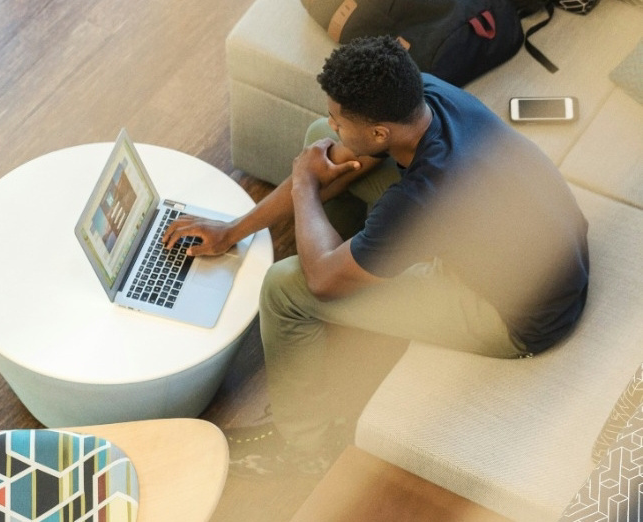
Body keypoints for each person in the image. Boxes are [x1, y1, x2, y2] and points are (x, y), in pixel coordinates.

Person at [163, 35, 589, 477]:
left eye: (339, 119)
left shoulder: (425, 194)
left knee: (285, 288)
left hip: (515, 316)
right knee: (318, 144)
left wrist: (305, 185)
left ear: (381, 133)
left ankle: (303, 448)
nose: (333, 125)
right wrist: (232, 231)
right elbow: (337, 152)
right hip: (548, 251)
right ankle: (355, 260)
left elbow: (320, 281)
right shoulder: (423, 95)